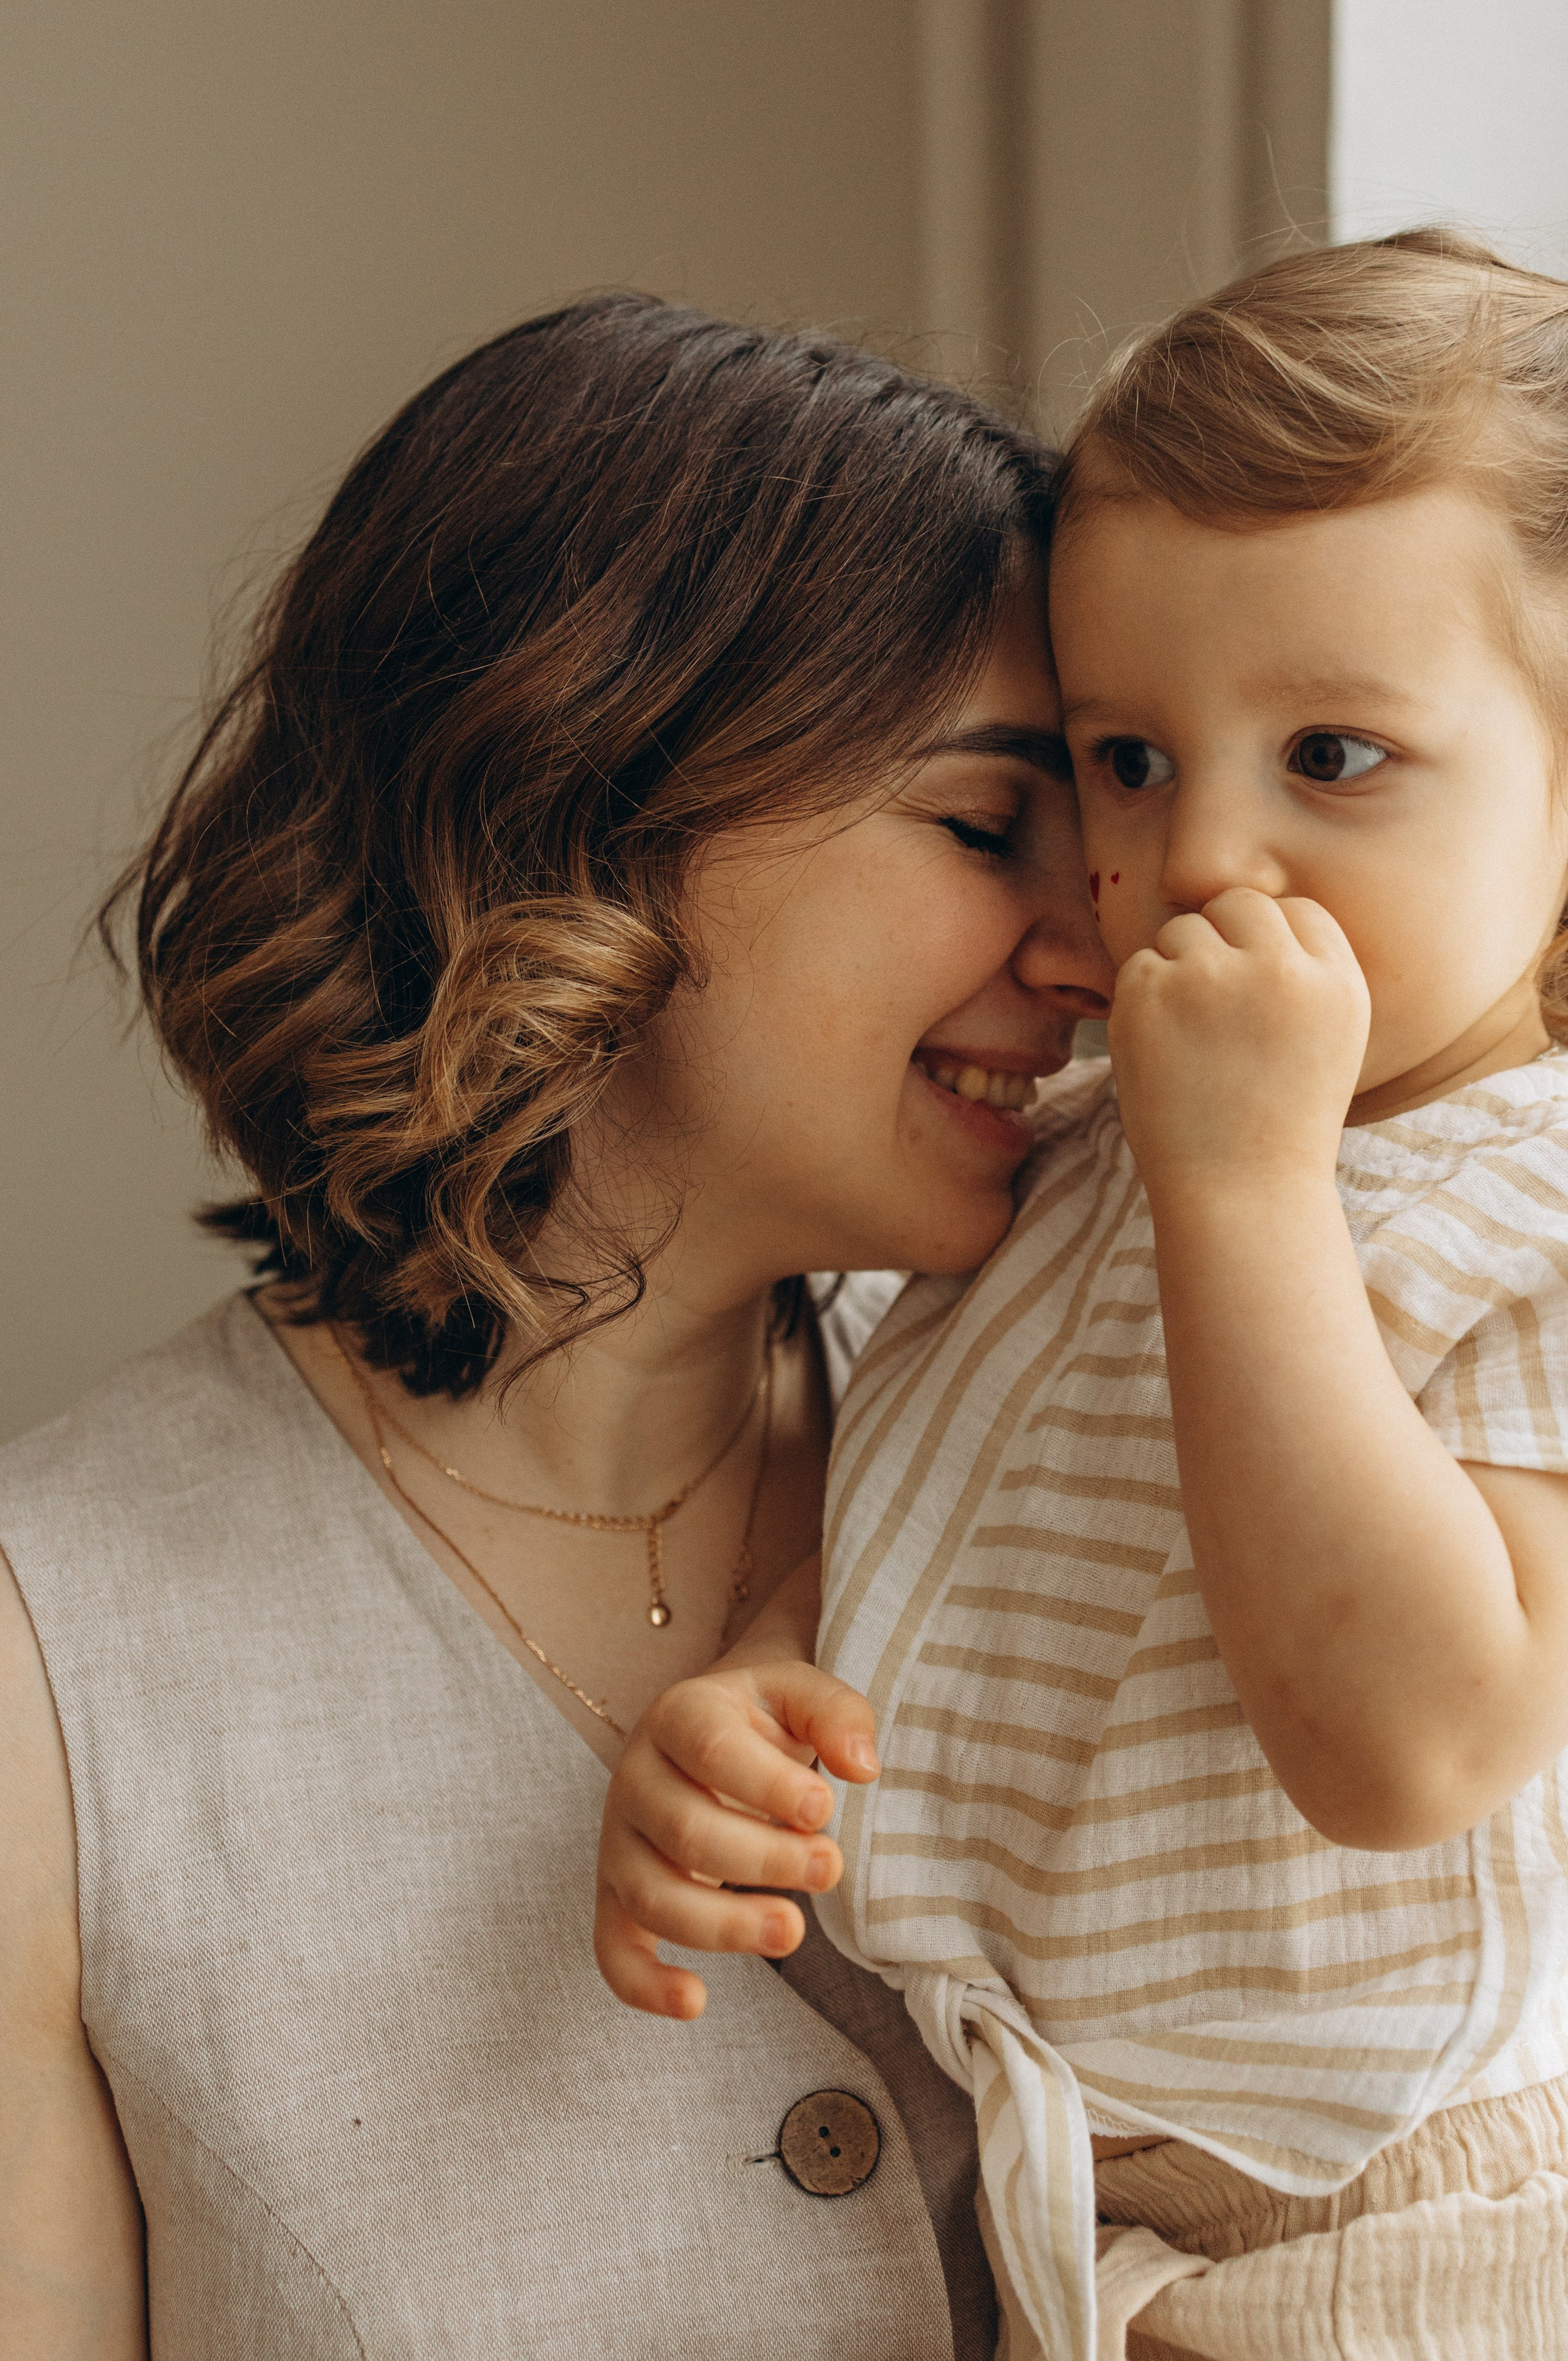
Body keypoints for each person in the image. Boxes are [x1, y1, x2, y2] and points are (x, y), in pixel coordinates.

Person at [598, 233, 1568, 2359]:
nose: (1206, 858)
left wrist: (1247, 1189)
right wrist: (764, 1688)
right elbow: (929, 1502)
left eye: (1331, 759)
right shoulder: (1095, 1147)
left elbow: (1405, 1745)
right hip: (1097, 2209)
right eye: (1127, 758)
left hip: (1452, 2223)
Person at [0, 292, 1116, 2358]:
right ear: (577, 807)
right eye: (987, 824)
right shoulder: (56, 1669)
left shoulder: (1105, 1454)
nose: (1099, 943)